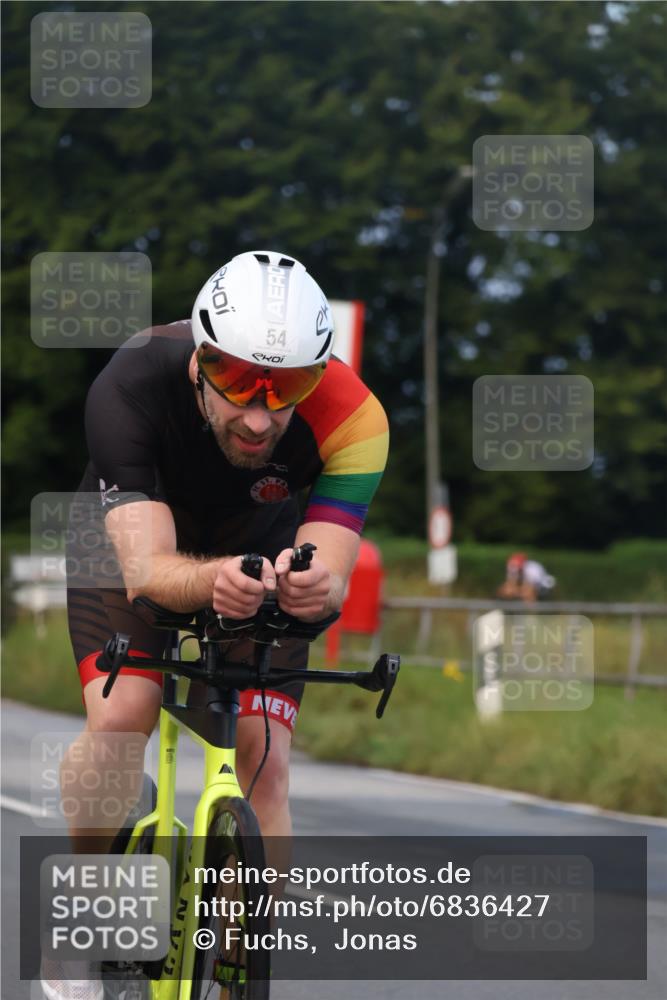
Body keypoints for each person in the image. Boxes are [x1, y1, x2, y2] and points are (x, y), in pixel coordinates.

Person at [42, 250, 389, 1000]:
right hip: (129, 539)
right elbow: (148, 572)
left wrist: (312, 590)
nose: (260, 417)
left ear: (318, 374)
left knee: (265, 756)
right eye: (236, 383)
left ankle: (237, 965)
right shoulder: (132, 380)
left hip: (262, 549)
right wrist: (212, 580)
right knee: (122, 718)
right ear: (200, 360)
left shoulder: (357, 418)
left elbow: (329, 572)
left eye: (288, 388)